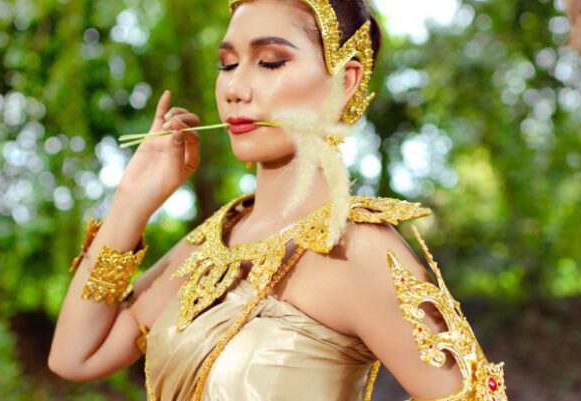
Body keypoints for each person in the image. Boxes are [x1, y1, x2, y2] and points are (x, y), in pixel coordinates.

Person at [48, 0, 509, 400]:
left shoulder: (358, 250)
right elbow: (75, 357)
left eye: (269, 62)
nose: (234, 89)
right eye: (228, 64)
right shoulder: (213, 243)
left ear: (345, 81)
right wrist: (132, 202)